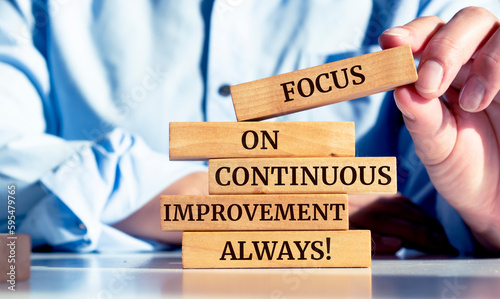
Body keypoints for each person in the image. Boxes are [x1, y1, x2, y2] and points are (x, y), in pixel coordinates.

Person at [0, 0, 499, 256]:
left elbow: (436, 224)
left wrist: (489, 212)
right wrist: (207, 197)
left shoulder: (431, 13)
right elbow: (7, 193)